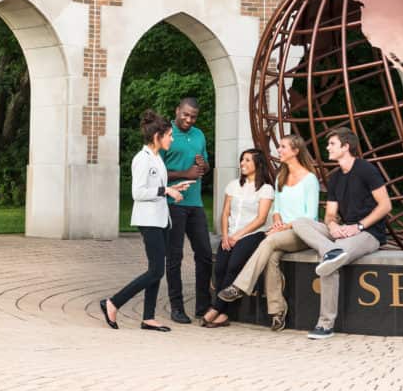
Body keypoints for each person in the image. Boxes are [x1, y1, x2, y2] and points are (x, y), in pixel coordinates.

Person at [291, 126, 391, 340]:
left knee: (330, 263)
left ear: (346, 147)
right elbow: (330, 214)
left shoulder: (366, 169)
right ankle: (330, 251)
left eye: (332, 144)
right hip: (342, 230)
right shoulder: (335, 178)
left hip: (368, 233)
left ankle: (325, 324)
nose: (327, 147)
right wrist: (333, 226)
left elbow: (385, 205)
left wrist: (359, 226)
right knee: (300, 223)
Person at [216, 133, 320, 331]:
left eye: (282, 147)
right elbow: (277, 210)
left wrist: (285, 227)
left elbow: (311, 216)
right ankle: (277, 312)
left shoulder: (309, 180)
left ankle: (239, 287)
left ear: (296, 151)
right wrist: (278, 222)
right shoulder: (281, 176)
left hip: (302, 232)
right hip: (281, 232)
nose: (278, 150)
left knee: (268, 242)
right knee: (271, 256)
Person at [100, 110, 190, 332]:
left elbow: (156, 189)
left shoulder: (157, 158)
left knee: (155, 268)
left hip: (161, 219)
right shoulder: (141, 159)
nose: (172, 138)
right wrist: (166, 190)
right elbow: (137, 193)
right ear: (157, 136)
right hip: (148, 220)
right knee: (156, 271)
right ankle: (113, 303)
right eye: (169, 135)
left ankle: (148, 317)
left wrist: (171, 189)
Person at [200, 149, 275, 328]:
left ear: (258, 164)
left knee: (233, 266)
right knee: (219, 269)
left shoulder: (266, 189)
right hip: (230, 234)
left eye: (247, 160)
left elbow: (261, 219)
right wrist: (226, 235)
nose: (242, 163)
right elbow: (225, 213)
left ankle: (216, 309)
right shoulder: (233, 185)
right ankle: (223, 313)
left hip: (252, 234)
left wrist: (237, 236)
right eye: (242, 160)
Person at [162, 97, 213, 324]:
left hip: (196, 204)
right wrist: (185, 174)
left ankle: (202, 306)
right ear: (177, 111)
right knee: (175, 257)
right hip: (174, 204)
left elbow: (206, 166)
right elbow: (158, 172)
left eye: (193, 116)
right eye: (185, 115)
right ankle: (177, 307)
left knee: (204, 255)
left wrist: (204, 166)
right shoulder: (166, 134)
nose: (189, 120)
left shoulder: (199, 135)